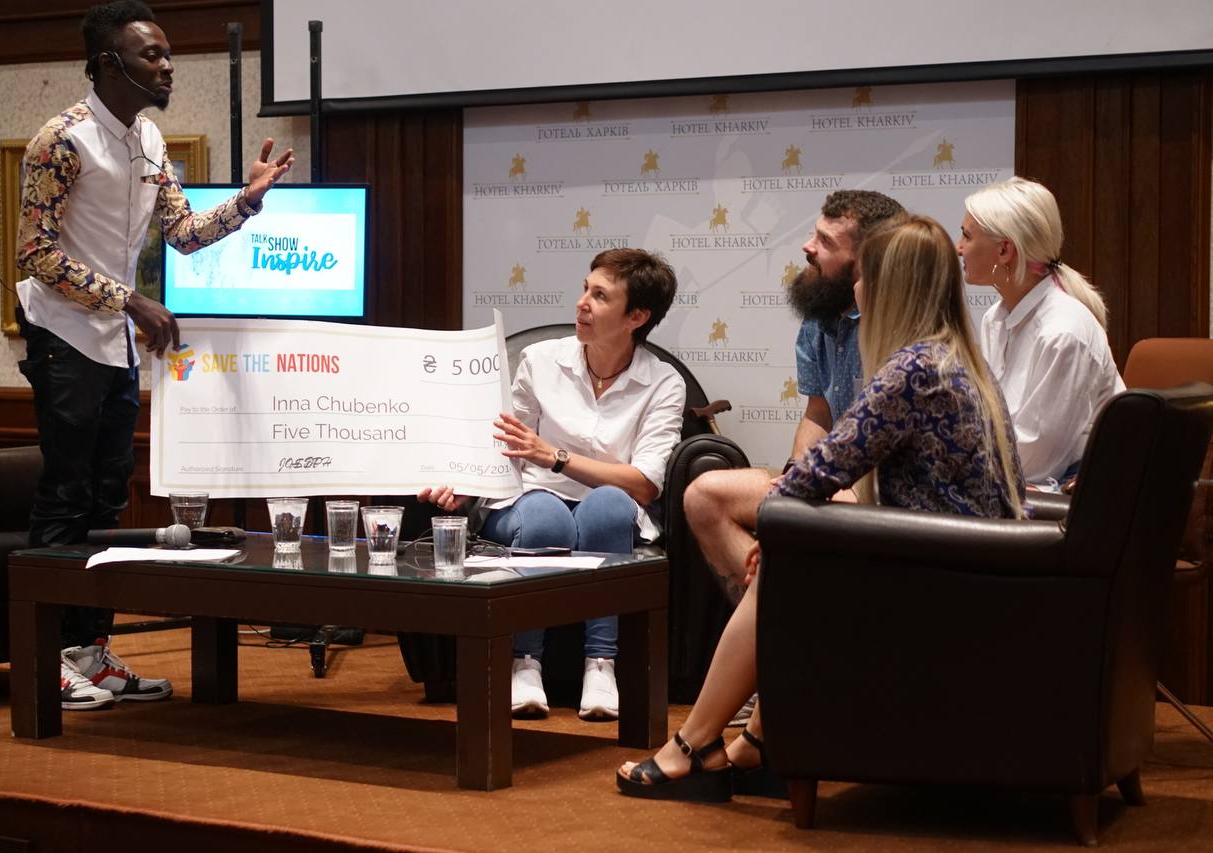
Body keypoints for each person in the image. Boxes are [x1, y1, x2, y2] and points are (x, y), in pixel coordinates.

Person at [616, 215, 1026, 801]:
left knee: (780, 578)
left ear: (885, 286)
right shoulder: (957, 359)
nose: (855, 288)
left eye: (863, 276)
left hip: (944, 585)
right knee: (791, 560)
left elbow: (821, 469)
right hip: (972, 574)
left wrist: (775, 537)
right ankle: (758, 741)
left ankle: (694, 745)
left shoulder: (912, 372)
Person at [15, 0, 293, 711]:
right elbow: (34, 253)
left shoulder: (149, 140)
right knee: (66, 494)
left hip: (111, 340)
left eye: (168, 54)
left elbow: (184, 233)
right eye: (152, 55)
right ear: (109, 64)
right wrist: (130, 300)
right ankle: (45, 662)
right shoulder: (61, 140)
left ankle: (89, 651)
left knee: (108, 498)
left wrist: (247, 201)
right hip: (62, 333)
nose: (168, 66)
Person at [419, 248, 685, 721]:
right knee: (546, 513)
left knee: (609, 505)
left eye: (600, 296)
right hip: (530, 502)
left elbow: (644, 485)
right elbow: (503, 445)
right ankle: (525, 663)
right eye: (585, 289)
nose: (581, 303)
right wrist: (465, 486)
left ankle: (601, 665)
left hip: (610, 507)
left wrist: (556, 458)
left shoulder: (663, 383)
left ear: (637, 317)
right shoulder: (540, 360)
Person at [684, 190, 905, 607]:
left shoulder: (900, 326)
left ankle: (788, 616)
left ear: (865, 261)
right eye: (813, 234)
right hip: (828, 479)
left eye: (825, 242)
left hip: (882, 491)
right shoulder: (819, 317)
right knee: (704, 496)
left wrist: (820, 489)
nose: (807, 247)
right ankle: (782, 613)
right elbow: (818, 413)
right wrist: (795, 475)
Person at [957, 176, 1124, 490]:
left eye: (966, 235)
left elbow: (1032, 464)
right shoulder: (994, 319)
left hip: (1070, 499)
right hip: (1022, 487)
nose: (959, 248)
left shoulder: (1063, 332)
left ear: (1004, 250)